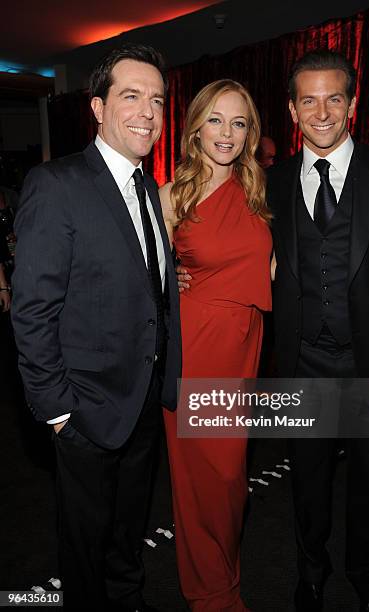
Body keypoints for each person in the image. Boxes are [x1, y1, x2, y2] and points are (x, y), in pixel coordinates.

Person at [12, 43, 181, 612]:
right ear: (98, 108)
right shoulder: (56, 184)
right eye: (131, 96)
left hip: (142, 405)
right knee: (83, 551)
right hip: (83, 409)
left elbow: (144, 288)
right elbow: (32, 311)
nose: (147, 112)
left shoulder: (148, 189)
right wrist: (58, 411)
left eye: (156, 100)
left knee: (127, 538)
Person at [267, 49, 369, 612]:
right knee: (306, 484)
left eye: (334, 97)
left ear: (353, 104)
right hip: (302, 360)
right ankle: (311, 574)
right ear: (291, 109)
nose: (322, 111)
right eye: (308, 100)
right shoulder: (273, 179)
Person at [160, 79, 272, 611]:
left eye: (239, 122)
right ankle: (211, 591)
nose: (226, 133)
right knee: (205, 474)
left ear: (249, 133)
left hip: (245, 342)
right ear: (196, 126)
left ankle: (224, 570)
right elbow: (140, 275)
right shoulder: (170, 194)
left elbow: (270, 264)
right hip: (197, 344)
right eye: (215, 120)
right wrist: (168, 281)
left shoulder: (257, 188)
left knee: (231, 477)